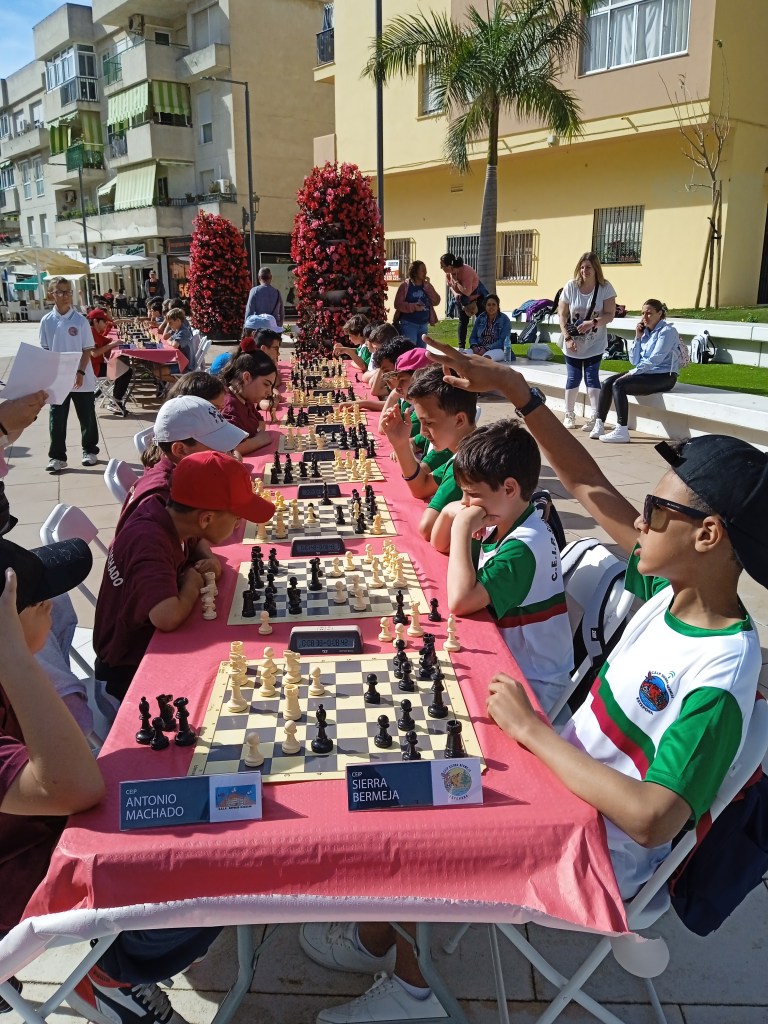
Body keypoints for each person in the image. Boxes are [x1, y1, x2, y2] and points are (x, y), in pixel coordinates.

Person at [306, 347, 768, 1024]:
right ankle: (382, 933)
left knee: (411, 808)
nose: (637, 520)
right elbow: (587, 483)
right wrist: (518, 392)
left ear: (708, 534)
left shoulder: (720, 672)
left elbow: (651, 819)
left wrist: (532, 733)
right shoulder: (668, 592)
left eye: (654, 510)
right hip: (557, 783)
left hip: (591, 846)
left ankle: (414, 987)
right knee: (403, 753)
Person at [0, 539, 219, 1024]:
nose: (53, 607)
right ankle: (111, 975)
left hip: (53, 833)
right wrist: (14, 658)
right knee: (216, 869)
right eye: (38, 602)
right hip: (26, 883)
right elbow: (78, 787)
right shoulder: (11, 669)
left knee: (213, 803)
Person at [94, 451, 275, 702]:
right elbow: (166, 617)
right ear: (207, 518)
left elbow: (196, 539)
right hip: (130, 669)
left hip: (146, 649)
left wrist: (210, 559)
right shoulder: (149, 541)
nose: (238, 526)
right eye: (236, 519)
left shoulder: (167, 513)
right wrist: (192, 582)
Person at [447, 420, 572, 715]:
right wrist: (458, 516)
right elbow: (438, 541)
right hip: (513, 661)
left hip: (534, 683)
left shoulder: (524, 547)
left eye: (471, 494)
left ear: (509, 488)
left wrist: (461, 527)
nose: (465, 503)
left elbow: (460, 601)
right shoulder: (503, 518)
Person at [116, 396, 247, 533]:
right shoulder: (161, 498)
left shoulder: (186, 476)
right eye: (217, 446)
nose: (226, 455)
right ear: (180, 450)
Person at [380, 364, 476, 548]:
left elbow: (427, 528)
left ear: (459, 420)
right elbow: (421, 487)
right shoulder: (463, 449)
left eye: (429, 423)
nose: (422, 432)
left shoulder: (468, 463)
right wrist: (400, 445)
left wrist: (446, 512)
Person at [592, 299, 681, 444]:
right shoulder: (645, 331)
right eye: (642, 313)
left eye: (649, 313)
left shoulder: (667, 332)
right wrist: (638, 337)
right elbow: (634, 360)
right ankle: (599, 424)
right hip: (646, 372)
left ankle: (621, 430)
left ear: (659, 313)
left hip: (664, 376)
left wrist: (633, 373)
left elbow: (655, 359)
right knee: (607, 382)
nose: (644, 317)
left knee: (619, 385)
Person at [39, 277, 99, 474]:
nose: (65, 296)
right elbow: (45, 351)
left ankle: (89, 450)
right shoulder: (46, 321)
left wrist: (80, 372)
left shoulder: (80, 320)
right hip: (58, 379)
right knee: (57, 417)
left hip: (81, 377)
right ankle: (57, 457)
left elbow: (87, 349)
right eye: (60, 292)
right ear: (51, 295)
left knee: (87, 416)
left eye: (68, 292)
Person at [557, 251, 617, 431]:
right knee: (573, 377)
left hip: (594, 342)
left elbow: (610, 314)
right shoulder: (571, 286)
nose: (585, 271)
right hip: (573, 341)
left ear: (596, 268)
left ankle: (596, 417)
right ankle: (569, 414)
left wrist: (593, 323)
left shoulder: (605, 287)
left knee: (592, 377)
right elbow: (562, 314)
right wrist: (567, 337)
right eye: (582, 267)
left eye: (588, 267)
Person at [220, 350, 277, 454]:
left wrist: (254, 437)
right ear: (246, 378)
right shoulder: (228, 406)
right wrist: (260, 439)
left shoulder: (244, 396)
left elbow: (260, 422)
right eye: (266, 384)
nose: (269, 392)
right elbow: (232, 448)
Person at [87, 308, 133, 417]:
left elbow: (105, 341)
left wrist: (116, 341)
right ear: (95, 321)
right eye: (104, 321)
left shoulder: (94, 331)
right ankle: (115, 402)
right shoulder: (90, 332)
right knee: (127, 372)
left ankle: (113, 399)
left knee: (123, 366)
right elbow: (94, 353)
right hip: (94, 369)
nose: (106, 324)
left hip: (96, 365)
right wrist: (112, 344)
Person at [439, 253, 488, 350]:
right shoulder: (448, 274)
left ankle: (483, 345)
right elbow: (450, 285)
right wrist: (455, 294)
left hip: (477, 297)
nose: (441, 268)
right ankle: (461, 347)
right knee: (463, 321)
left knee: (482, 321)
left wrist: (456, 281)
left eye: (442, 266)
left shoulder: (466, 271)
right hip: (462, 298)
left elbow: (467, 291)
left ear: (450, 266)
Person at [392, 261, 440, 347]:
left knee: (421, 352)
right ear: (414, 272)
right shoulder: (405, 286)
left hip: (424, 324)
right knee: (411, 351)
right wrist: (413, 307)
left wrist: (428, 287)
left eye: (425, 270)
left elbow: (436, 301)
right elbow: (397, 304)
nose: (425, 272)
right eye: (422, 270)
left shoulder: (426, 285)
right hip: (409, 324)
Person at [210, 328, 282, 376]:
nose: (278, 353)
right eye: (276, 349)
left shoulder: (254, 357)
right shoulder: (249, 362)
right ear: (263, 348)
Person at [467, 293, 512, 362]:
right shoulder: (481, 317)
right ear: (485, 306)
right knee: (462, 356)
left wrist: (486, 348)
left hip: (498, 349)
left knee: (485, 359)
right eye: (488, 305)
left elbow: (503, 340)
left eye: (493, 304)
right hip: (480, 347)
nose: (491, 307)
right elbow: (473, 337)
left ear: (498, 306)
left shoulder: (504, 319)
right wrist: (474, 347)